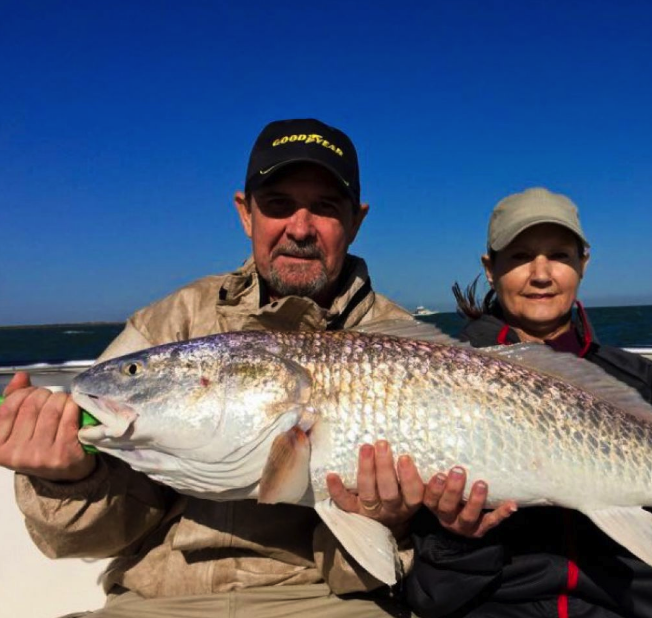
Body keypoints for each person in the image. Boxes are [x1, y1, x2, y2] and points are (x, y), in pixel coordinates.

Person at [0, 119, 425, 617]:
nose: (300, 228)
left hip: (326, 598)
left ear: (356, 222)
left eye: (326, 207)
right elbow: (96, 540)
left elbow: (382, 572)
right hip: (158, 598)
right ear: (246, 213)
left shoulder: (403, 343)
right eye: (278, 204)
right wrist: (70, 479)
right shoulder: (171, 322)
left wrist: (388, 522)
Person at [405, 187, 652, 618]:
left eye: (559, 255)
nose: (540, 274)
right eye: (520, 256)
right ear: (490, 269)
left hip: (622, 604)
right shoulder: (434, 372)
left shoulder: (635, 376)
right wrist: (456, 537)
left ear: (583, 263)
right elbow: (432, 589)